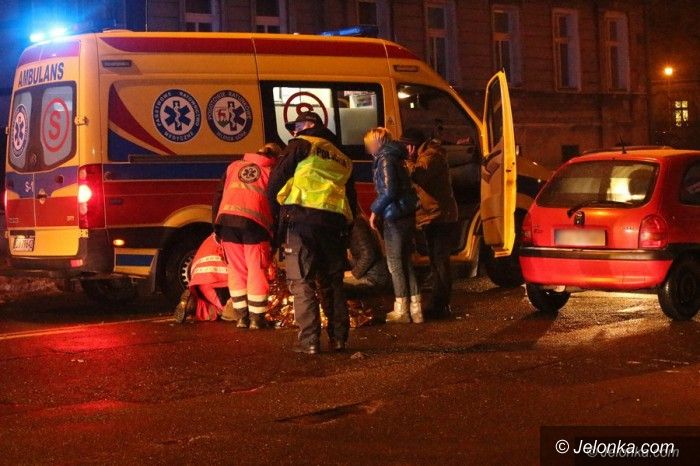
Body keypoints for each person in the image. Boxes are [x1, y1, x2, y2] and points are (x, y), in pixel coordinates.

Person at [268, 111, 357, 354]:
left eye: (296, 126)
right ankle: (339, 339)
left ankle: (309, 341)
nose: (293, 131)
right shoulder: (343, 157)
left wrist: (277, 218)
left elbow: (275, 183)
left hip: (301, 220)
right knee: (332, 282)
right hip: (334, 224)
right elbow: (351, 198)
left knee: (302, 281)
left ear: (309, 125)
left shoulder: (301, 145)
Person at [212, 143, 281, 329]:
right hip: (255, 225)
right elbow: (276, 206)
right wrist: (275, 236)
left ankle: (241, 317)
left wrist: (216, 227)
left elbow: (218, 196)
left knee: (236, 270)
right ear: (275, 158)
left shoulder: (234, 166)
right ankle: (257, 319)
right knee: (256, 269)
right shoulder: (272, 172)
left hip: (227, 222)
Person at [364, 127, 422, 324]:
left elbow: (389, 191)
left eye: (369, 144)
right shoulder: (397, 156)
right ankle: (416, 309)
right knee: (406, 262)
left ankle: (402, 310)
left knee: (395, 264)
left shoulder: (385, 158)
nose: (369, 149)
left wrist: (374, 211)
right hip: (406, 213)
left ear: (376, 142)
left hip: (394, 215)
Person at [402, 128, 459, 319]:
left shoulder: (431, 156)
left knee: (440, 262)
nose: (405, 150)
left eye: (406, 146)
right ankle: (439, 303)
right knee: (437, 261)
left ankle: (440, 305)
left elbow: (418, 175)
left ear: (412, 146)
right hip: (434, 216)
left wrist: (407, 161)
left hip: (440, 217)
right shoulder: (425, 155)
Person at [174, 233, 230, 323]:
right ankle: (198, 307)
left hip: (200, 281)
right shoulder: (240, 234)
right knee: (233, 310)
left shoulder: (214, 235)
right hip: (219, 281)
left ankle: (196, 305)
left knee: (214, 305)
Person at [347, 212, 390, 289]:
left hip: (373, 277)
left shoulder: (357, 226)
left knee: (336, 284)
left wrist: (353, 273)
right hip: (373, 275)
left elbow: (369, 254)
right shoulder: (358, 224)